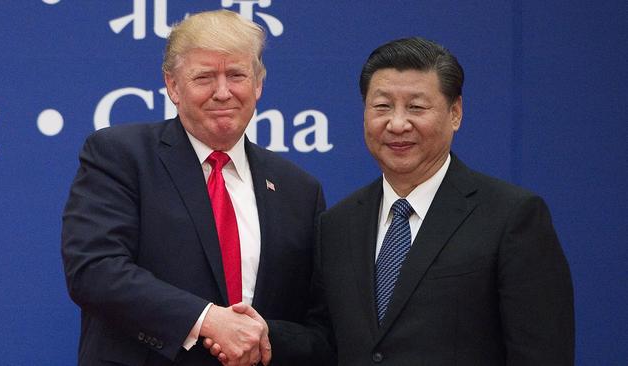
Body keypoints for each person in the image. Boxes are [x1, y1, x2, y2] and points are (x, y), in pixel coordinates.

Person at [213, 36, 575, 365]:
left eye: (416, 108)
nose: (397, 124)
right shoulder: (338, 224)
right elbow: (328, 340)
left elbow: (541, 354)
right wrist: (267, 336)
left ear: (455, 113)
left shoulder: (511, 216)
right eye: (382, 106)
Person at [61, 10, 325, 366]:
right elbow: (94, 271)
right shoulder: (121, 155)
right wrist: (208, 320)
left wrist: (262, 338)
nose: (222, 92)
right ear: (172, 85)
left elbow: (319, 326)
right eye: (204, 77)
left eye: (236, 75)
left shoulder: (299, 189)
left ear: (258, 84)